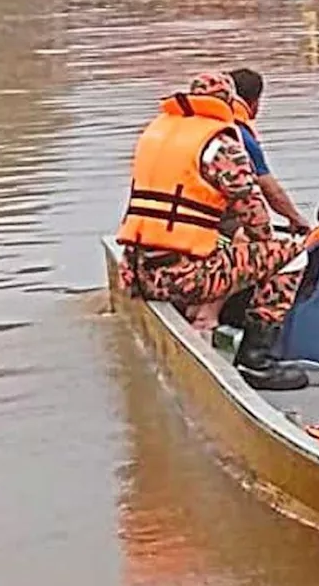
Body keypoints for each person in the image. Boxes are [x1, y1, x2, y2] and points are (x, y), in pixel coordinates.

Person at [116, 72, 308, 390]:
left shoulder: (155, 136)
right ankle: (256, 361)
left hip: (138, 273)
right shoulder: (219, 144)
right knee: (292, 255)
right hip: (183, 279)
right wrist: (266, 245)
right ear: (228, 103)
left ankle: (204, 316)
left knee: (225, 246)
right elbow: (255, 216)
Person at [228, 68, 311, 235]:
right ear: (254, 102)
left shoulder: (195, 126)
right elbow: (269, 187)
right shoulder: (238, 134)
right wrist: (295, 218)